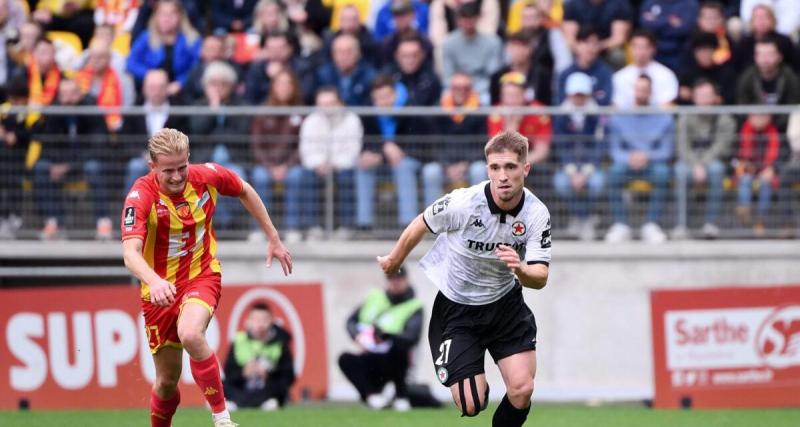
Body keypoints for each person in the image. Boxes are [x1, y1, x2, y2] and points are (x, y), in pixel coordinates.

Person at [121, 128, 293, 427]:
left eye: (182, 167)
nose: (177, 176)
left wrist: (273, 236)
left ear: (189, 158)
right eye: (168, 171)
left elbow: (245, 190)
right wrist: (155, 281)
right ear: (152, 166)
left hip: (201, 275)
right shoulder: (140, 196)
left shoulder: (207, 176)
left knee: (190, 333)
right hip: (159, 291)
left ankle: (222, 418)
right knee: (166, 382)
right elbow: (130, 253)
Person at [377, 130, 551, 426]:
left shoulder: (536, 214)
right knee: (472, 403)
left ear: (525, 168)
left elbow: (541, 276)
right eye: (495, 167)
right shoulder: (464, 203)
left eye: (510, 166)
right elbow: (422, 223)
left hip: (505, 306)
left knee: (522, 389)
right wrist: (394, 259)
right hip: (457, 309)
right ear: (487, 170)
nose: (503, 176)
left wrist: (520, 269)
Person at [338, 265, 423, 411]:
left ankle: (401, 396)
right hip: (370, 355)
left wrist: (387, 335)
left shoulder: (414, 306)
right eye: (391, 279)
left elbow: (411, 337)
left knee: (399, 351)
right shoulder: (374, 297)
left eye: (399, 279)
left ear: (406, 280)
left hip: (394, 359)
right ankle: (373, 396)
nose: (395, 283)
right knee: (344, 359)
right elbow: (351, 321)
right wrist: (358, 337)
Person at [605, 74, 673, 244]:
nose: (641, 93)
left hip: (652, 164)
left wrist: (646, 156)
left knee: (663, 173)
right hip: (627, 164)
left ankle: (651, 224)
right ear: (633, 91)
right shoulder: (620, 116)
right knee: (614, 172)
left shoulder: (663, 117)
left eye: (645, 89)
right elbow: (614, 150)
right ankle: (621, 225)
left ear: (651, 92)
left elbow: (666, 151)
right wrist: (629, 157)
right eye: (638, 89)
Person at [672, 79, 735, 239]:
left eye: (708, 95)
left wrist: (702, 165)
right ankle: (682, 224)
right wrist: (695, 165)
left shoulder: (725, 119)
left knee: (717, 170)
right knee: (680, 171)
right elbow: (682, 146)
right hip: (689, 163)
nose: (704, 100)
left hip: (712, 162)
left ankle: (711, 224)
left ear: (715, 98)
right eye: (700, 96)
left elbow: (722, 147)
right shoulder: (685, 118)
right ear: (694, 98)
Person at [552, 73, 606, 241]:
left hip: (591, 166)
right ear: (569, 94)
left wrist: (586, 172)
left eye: (582, 94)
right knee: (561, 183)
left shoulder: (597, 114)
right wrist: (572, 172)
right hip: (568, 166)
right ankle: (581, 217)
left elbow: (599, 146)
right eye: (576, 94)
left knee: (597, 183)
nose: (579, 98)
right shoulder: (561, 115)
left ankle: (585, 218)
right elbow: (561, 146)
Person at [223, 302, 295, 411]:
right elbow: (228, 373)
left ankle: (242, 403)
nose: (260, 324)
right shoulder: (239, 341)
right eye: (256, 320)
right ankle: (236, 403)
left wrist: (268, 375)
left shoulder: (280, 343)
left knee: (279, 389)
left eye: (264, 320)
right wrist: (243, 373)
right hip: (242, 389)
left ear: (271, 321)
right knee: (222, 385)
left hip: (267, 390)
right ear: (248, 322)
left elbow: (288, 377)